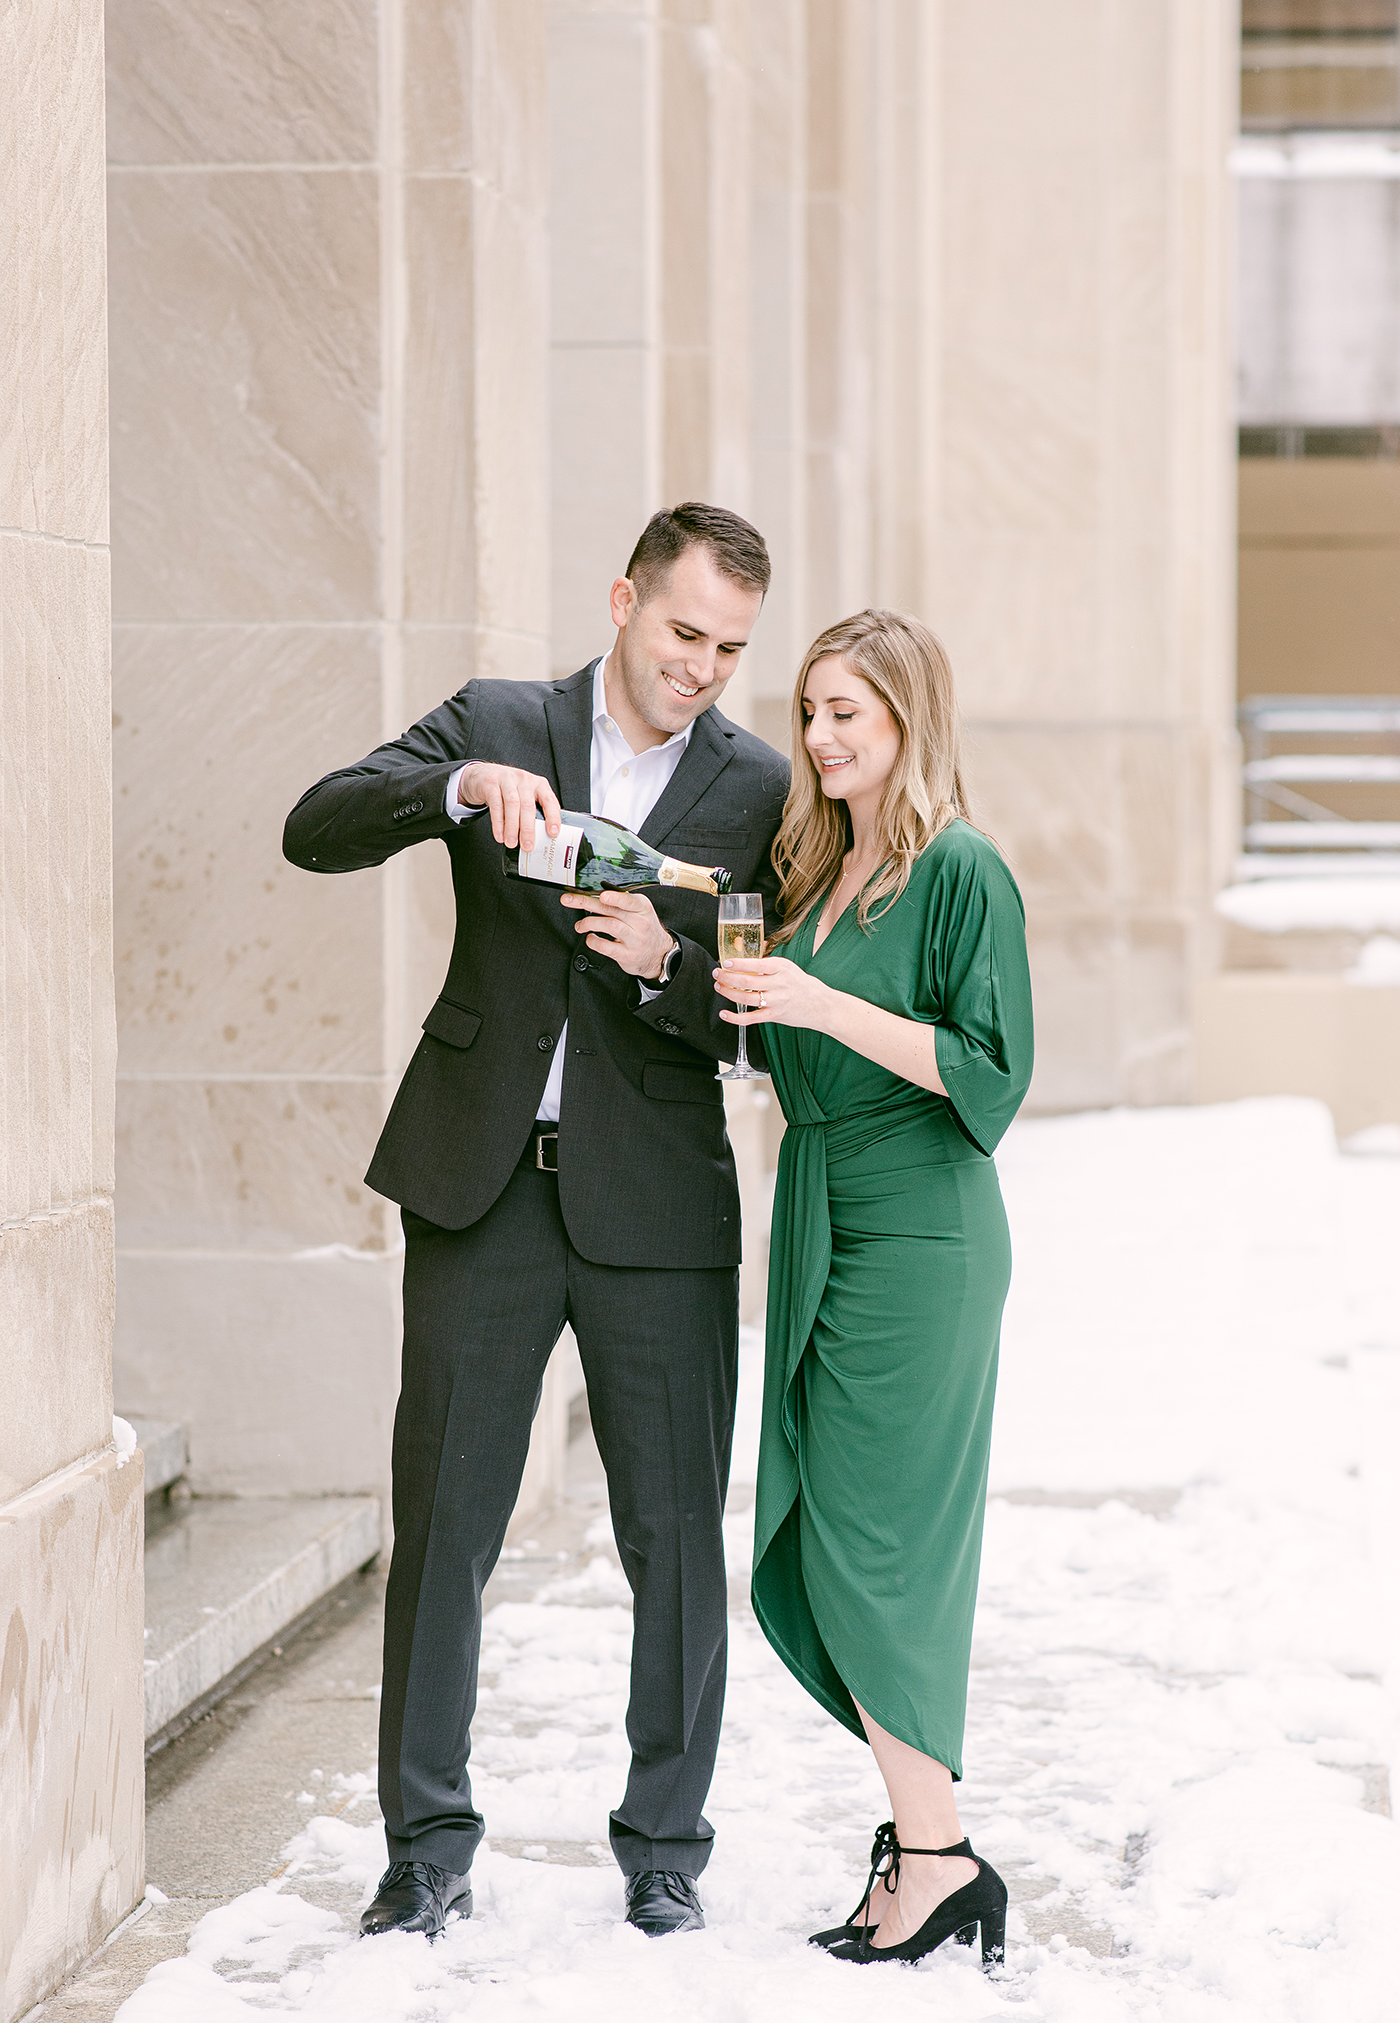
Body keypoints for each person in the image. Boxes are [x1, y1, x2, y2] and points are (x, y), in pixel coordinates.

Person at [283, 503, 789, 1941]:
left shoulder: (755, 789)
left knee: (677, 1538)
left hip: (662, 1207)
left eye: (730, 649)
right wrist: (452, 792)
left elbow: (761, 1034)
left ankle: (666, 1845)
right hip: (480, 1188)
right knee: (446, 1526)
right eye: (685, 631)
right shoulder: (500, 717)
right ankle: (425, 1847)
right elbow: (313, 827)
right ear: (625, 599)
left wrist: (660, 968)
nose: (701, 668)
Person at [713, 608, 1033, 1970]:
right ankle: (924, 1848)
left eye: (851, 711)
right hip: (826, 1209)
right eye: (811, 711)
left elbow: (992, 1075)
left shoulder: (959, 870)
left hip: (922, 1233)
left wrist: (817, 1008)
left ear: (909, 719)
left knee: (878, 1548)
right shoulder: (817, 874)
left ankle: (937, 1854)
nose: (824, 736)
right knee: (830, 1534)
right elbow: (791, 1056)